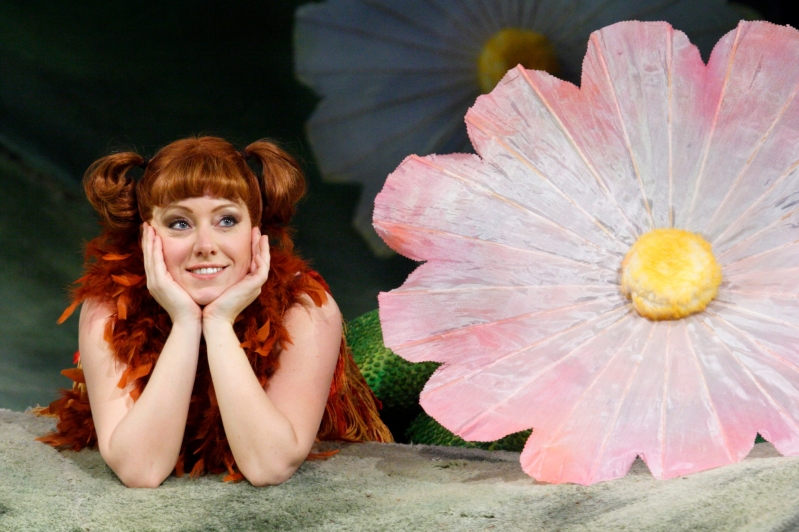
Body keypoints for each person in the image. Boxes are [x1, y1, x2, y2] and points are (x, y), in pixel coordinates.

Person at [35, 136, 392, 488]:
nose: (206, 246)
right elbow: (140, 470)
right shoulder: (108, 307)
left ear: (255, 229)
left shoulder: (306, 309)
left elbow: (268, 466)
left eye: (226, 220)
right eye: (180, 223)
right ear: (146, 235)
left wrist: (218, 323)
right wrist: (186, 322)